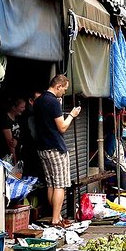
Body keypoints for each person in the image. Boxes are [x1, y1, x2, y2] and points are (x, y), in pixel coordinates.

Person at [34, 74, 81, 226]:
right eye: (64, 89)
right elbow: (62, 127)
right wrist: (72, 115)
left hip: (42, 147)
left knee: (50, 184)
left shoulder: (39, 100)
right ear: (58, 86)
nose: (64, 93)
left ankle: (57, 216)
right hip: (56, 147)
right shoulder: (53, 102)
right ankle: (56, 218)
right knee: (60, 184)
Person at [103, 114, 126, 191]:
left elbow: (125, 149)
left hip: (118, 160)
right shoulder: (111, 138)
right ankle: (122, 195)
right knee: (123, 174)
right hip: (110, 161)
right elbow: (110, 155)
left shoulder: (117, 138)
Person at [19, 91, 44, 179]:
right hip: (30, 154)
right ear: (31, 101)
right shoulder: (29, 116)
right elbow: (34, 136)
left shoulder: (35, 114)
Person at [0, 97, 26, 163]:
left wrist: (18, 142)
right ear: (14, 107)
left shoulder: (18, 118)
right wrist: (14, 160)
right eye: (22, 107)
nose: (24, 109)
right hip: (7, 154)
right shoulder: (6, 120)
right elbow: (10, 143)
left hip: (18, 152)